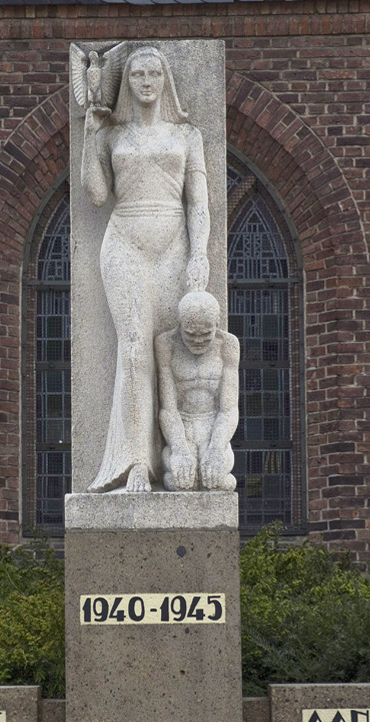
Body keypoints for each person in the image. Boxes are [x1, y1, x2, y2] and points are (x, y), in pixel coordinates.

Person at [81, 44, 211, 493]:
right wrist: (89, 134)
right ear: (128, 83)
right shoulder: (113, 137)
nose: (146, 81)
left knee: (169, 352)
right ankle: (136, 462)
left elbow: (198, 202)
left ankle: (176, 459)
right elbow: (97, 195)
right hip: (125, 242)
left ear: (166, 80)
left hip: (173, 241)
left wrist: (200, 253)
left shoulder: (187, 136)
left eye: (155, 73)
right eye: (137, 74)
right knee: (134, 351)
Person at [155, 291, 238, 492]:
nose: (198, 341)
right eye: (190, 334)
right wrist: (180, 448)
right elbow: (168, 409)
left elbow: (228, 409)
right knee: (181, 482)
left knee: (218, 482)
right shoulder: (166, 344)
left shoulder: (228, 344)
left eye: (206, 334)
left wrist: (217, 447)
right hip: (182, 427)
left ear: (216, 324)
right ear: (180, 324)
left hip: (214, 427)